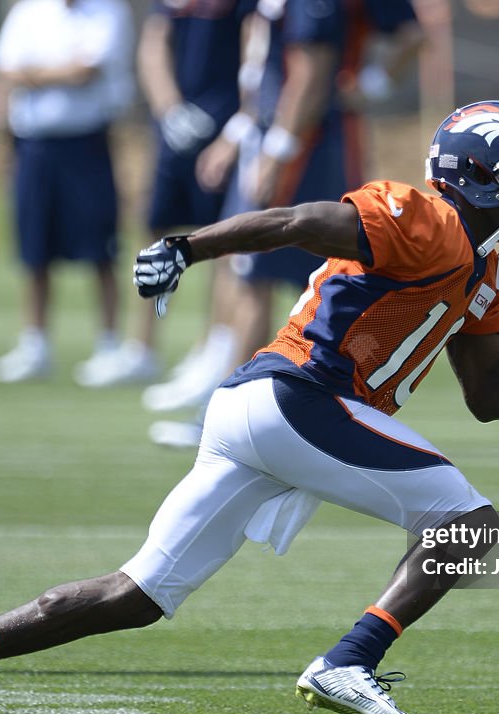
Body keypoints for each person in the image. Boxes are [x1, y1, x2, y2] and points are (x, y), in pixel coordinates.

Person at [0, 101, 499, 714]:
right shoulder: (427, 220)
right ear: (483, 174)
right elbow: (295, 221)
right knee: (469, 521)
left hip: (265, 411)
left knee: (136, 593)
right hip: (297, 395)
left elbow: (488, 394)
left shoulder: (486, 272)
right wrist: (187, 247)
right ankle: (350, 658)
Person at [144, 0, 424, 447]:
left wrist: (279, 146)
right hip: (273, 133)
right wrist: (239, 134)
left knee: (267, 276)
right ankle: (261, 403)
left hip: (304, 142)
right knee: (250, 272)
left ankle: (230, 416)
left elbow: (311, 69)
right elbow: (263, 68)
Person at [83, 0, 260, 390]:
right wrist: (169, 110)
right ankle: (141, 347)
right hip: (176, 127)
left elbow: (255, 48)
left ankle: (212, 347)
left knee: (225, 237)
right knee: (156, 230)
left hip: (227, 125)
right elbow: (154, 44)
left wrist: (242, 120)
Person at [0, 0, 136, 387]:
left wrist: (32, 74)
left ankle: (108, 344)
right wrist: (53, 73)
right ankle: (35, 344)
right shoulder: (29, 11)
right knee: (34, 248)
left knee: (99, 249)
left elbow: (84, 71)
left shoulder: (108, 11)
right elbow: (5, 70)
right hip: (33, 146)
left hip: (85, 144)